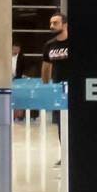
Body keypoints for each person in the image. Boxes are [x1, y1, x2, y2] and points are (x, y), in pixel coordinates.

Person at [41, 14, 68, 163]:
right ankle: (64, 155)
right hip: (58, 90)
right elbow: (45, 67)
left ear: (64, 24)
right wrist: (46, 88)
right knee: (60, 124)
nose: (51, 26)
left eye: (55, 23)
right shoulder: (49, 45)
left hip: (75, 89)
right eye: (50, 23)